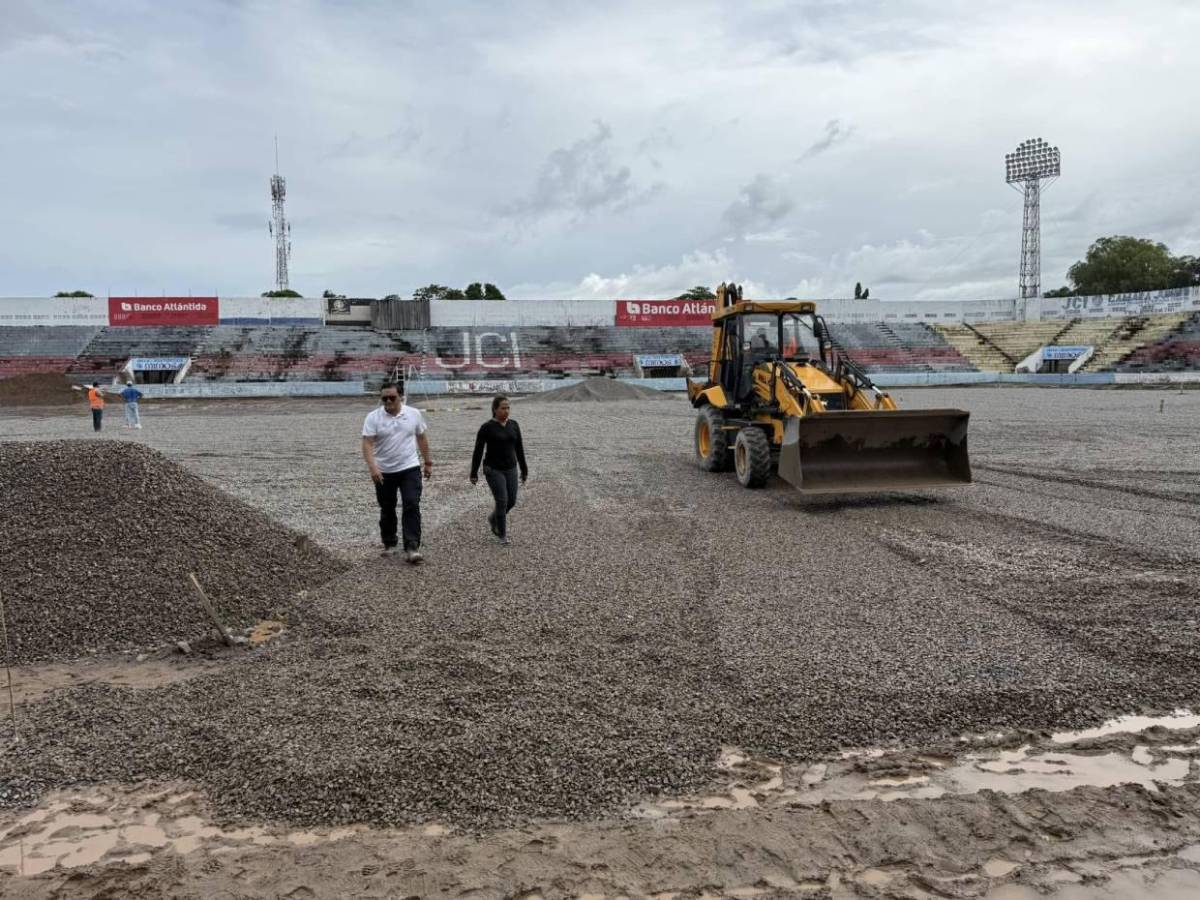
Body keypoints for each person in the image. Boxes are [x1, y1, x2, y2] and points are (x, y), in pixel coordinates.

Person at [361, 382, 433, 564]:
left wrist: (428, 462)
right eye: (384, 398)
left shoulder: (414, 414)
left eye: (392, 397)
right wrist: (373, 467)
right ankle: (389, 542)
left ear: (400, 397)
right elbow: (367, 443)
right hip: (384, 471)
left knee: (411, 503)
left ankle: (412, 546)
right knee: (387, 507)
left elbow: (421, 437)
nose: (388, 401)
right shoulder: (373, 418)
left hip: (410, 467)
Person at [469, 395, 528, 545]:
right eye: (503, 408)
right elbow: (478, 451)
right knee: (502, 500)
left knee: (511, 500)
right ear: (495, 409)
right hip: (493, 469)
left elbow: (519, 448)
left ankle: (493, 518)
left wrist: (524, 469)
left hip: (511, 467)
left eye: (508, 408)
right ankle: (502, 534)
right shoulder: (486, 428)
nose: (506, 411)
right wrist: (474, 472)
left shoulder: (514, 425)